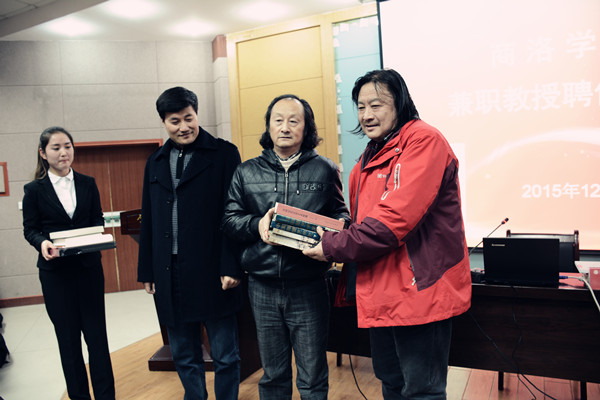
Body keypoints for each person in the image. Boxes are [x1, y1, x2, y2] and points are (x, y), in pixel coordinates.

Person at [303, 69, 472, 400]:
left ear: (400, 103)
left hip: (419, 291)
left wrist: (332, 245)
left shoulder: (423, 140)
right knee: (391, 382)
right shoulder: (368, 157)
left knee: (422, 390)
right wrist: (325, 233)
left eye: (376, 105)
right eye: (360, 106)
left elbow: (393, 221)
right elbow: (363, 222)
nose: (366, 115)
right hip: (381, 290)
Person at [221, 94, 350, 400]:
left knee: (312, 376)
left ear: (307, 127)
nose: (285, 127)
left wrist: (328, 236)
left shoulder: (325, 169)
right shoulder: (246, 171)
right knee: (273, 376)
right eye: (278, 120)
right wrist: (257, 225)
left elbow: (342, 216)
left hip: (309, 284)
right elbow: (229, 219)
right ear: (268, 126)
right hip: (262, 285)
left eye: (294, 120)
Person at [137, 86, 242, 400]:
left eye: (188, 118)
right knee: (183, 354)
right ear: (163, 122)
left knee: (225, 355)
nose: (183, 126)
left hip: (213, 269)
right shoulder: (155, 162)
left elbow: (234, 214)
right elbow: (149, 218)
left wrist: (231, 264)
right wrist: (148, 270)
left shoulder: (224, 154)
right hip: (170, 272)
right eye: (174, 121)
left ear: (197, 115)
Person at [22, 126, 115, 400]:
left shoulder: (88, 183)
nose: (63, 152)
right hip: (56, 276)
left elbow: (97, 219)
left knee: (97, 340)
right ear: (43, 153)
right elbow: (30, 229)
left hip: (88, 271)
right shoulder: (33, 190)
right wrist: (42, 243)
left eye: (68, 146)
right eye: (56, 148)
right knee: (69, 341)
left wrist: (94, 236)